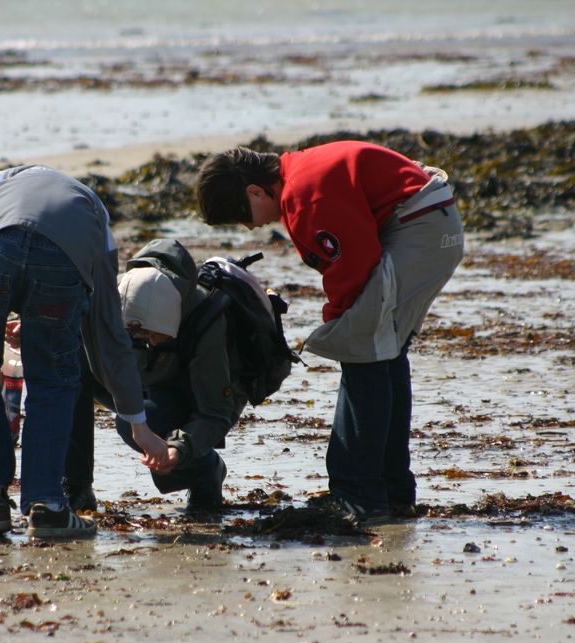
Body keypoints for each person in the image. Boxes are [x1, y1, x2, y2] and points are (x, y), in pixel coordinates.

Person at [196, 141, 464, 526]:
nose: (252, 226)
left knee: (361, 352)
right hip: (430, 221)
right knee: (383, 355)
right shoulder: (299, 175)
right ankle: (391, 494)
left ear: (255, 190)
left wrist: (337, 321)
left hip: (419, 227)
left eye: (243, 215)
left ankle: (357, 497)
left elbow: (355, 264)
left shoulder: (304, 195)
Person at [0, 165, 170, 539]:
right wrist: (139, 424)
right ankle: (47, 506)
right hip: (62, 260)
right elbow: (108, 329)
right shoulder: (96, 213)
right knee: (54, 380)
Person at [66, 239, 248, 512]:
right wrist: (37, 332)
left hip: (193, 397)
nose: (145, 340)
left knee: (135, 423)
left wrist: (179, 449)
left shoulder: (206, 321)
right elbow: (74, 327)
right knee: (69, 361)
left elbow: (216, 413)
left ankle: (205, 472)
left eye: (152, 334)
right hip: (144, 380)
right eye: (135, 334)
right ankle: (76, 487)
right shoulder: (117, 301)